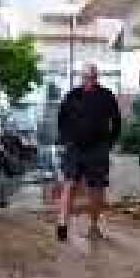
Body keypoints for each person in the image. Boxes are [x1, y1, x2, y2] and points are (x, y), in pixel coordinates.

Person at [56, 62, 121, 243]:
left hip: (97, 149)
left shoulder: (106, 96)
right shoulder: (72, 96)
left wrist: (109, 143)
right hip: (74, 148)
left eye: (92, 77)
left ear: (97, 77)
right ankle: (62, 224)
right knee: (69, 184)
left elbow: (116, 121)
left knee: (96, 189)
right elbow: (61, 120)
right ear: (81, 77)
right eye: (86, 77)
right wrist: (66, 140)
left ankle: (94, 226)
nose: (89, 81)